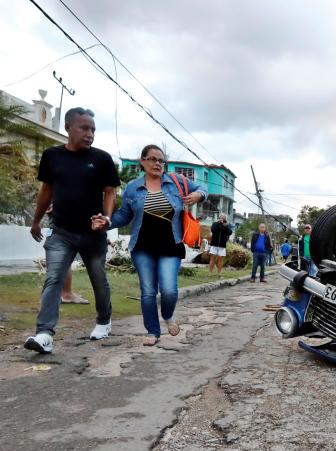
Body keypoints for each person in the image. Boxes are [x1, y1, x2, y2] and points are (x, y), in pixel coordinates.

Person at [25, 107, 119, 354]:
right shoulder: (52, 156)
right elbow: (46, 190)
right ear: (68, 128)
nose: (90, 134)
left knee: (99, 280)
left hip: (93, 234)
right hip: (61, 231)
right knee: (54, 278)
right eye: (84, 128)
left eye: (93, 130)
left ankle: (103, 320)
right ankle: (44, 334)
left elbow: (110, 191)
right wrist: (36, 221)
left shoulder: (102, 159)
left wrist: (107, 219)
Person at [99, 145, 207, 346]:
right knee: (148, 292)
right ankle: (152, 332)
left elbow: (203, 189)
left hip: (170, 245)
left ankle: (167, 315)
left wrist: (198, 196)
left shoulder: (176, 181)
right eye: (152, 159)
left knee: (169, 291)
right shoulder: (133, 187)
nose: (157, 163)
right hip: (142, 247)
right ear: (142, 161)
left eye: (161, 160)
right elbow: (124, 215)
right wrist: (107, 221)